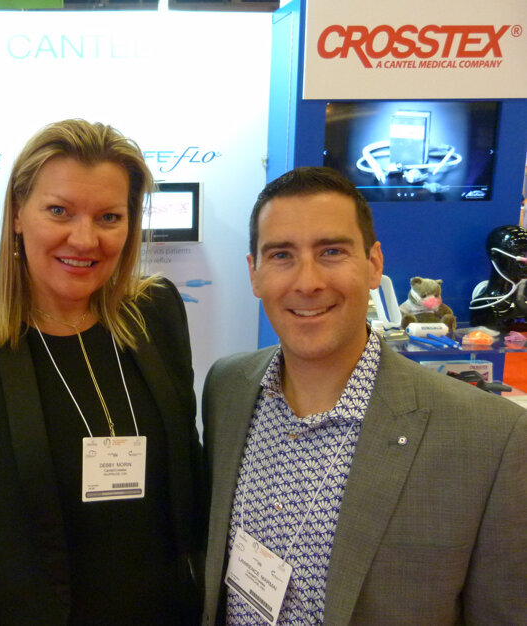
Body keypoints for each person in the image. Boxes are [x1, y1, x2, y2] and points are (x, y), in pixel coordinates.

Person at [0, 119, 204, 624]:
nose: (84, 238)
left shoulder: (156, 313)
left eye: (109, 216)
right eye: (59, 211)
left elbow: (189, 478)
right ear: (18, 214)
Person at [202, 166, 527, 624]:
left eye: (331, 251)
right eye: (281, 255)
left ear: (374, 264)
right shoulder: (227, 390)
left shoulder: (489, 438)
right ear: (254, 274)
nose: (307, 281)